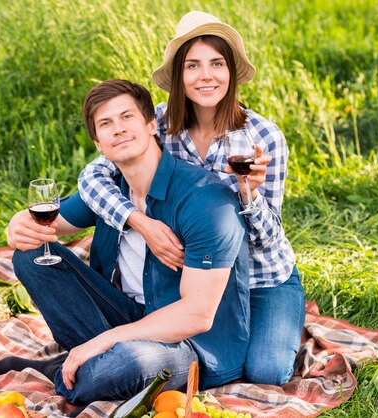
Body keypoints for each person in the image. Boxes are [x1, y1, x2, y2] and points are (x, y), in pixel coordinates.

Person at [78, 11, 305, 386]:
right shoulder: (160, 124)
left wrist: (250, 196)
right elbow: (93, 176)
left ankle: (285, 317)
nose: (206, 76)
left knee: (265, 372)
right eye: (193, 65)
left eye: (217, 63)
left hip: (262, 278)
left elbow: (271, 237)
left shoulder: (262, 137)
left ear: (231, 72)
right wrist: (140, 221)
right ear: (179, 77)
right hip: (202, 274)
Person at [0, 79, 250, 404]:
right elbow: (45, 222)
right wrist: (16, 226)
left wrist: (105, 340)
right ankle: (91, 365)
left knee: (130, 364)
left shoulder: (206, 201)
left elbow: (197, 314)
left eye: (127, 117)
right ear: (98, 142)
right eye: (106, 124)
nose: (119, 129)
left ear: (152, 124)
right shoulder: (107, 191)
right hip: (127, 315)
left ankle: (64, 371)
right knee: (30, 256)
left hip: (191, 343)